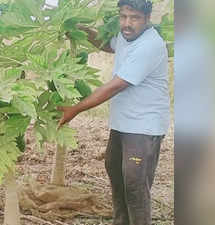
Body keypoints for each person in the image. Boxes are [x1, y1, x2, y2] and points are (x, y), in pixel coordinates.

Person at [57, 0, 170, 224]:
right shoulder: (127, 36)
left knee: (135, 184)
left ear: (147, 19)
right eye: (123, 16)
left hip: (143, 126)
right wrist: (81, 30)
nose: (127, 23)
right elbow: (108, 44)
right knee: (116, 175)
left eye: (134, 17)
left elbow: (115, 86)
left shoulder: (150, 45)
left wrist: (75, 109)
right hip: (123, 123)